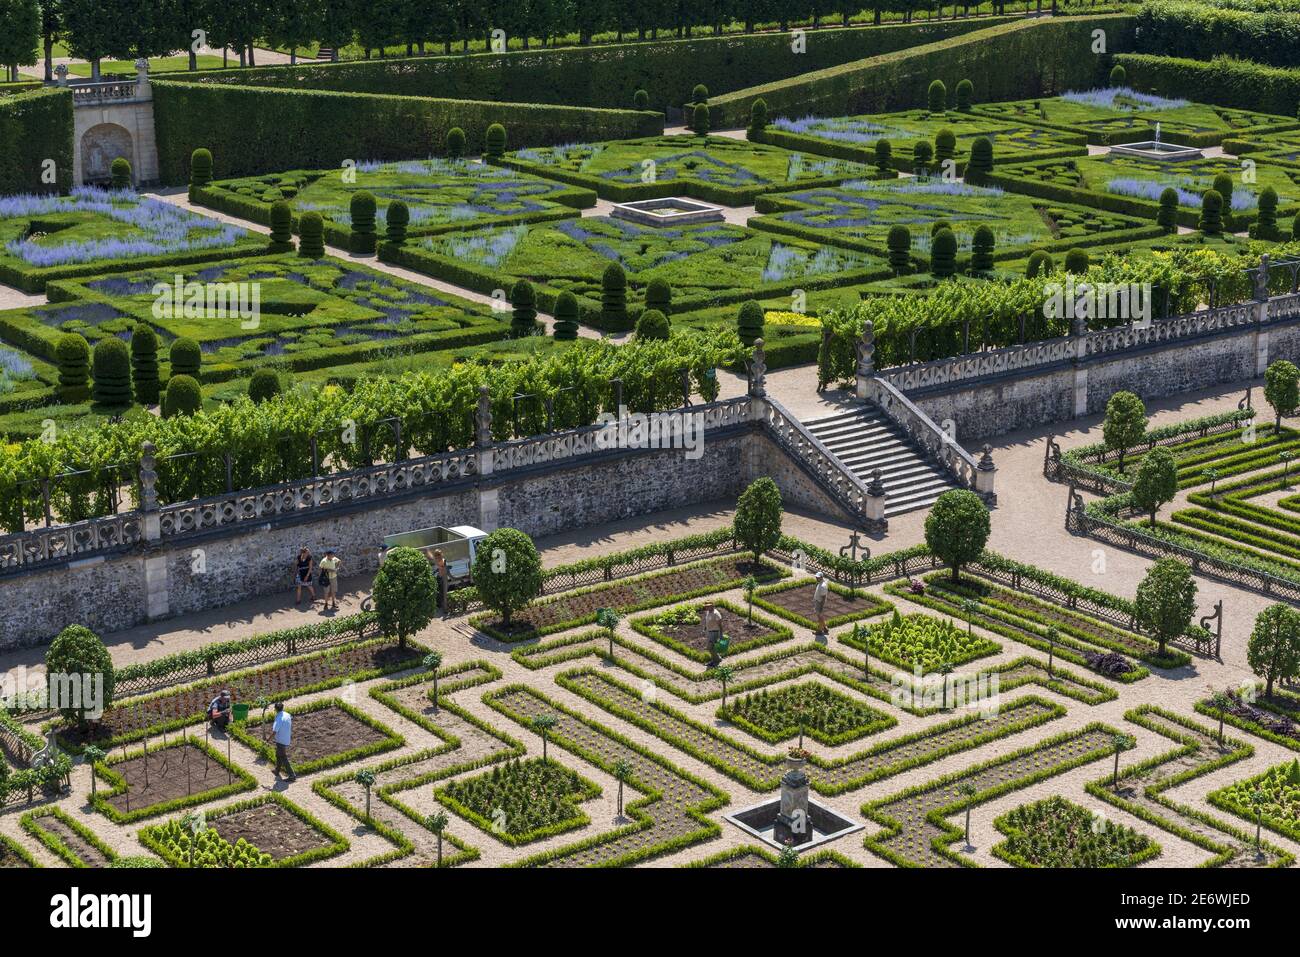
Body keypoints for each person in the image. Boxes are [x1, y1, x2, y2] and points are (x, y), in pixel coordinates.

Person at [271, 702, 295, 780]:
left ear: (275, 709)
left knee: (283, 757)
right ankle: (277, 770)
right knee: (278, 755)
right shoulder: (287, 714)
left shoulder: (279, 719)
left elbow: (275, 731)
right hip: (286, 737)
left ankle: (292, 775)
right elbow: (291, 718)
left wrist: (268, 739)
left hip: (281, 740)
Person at [432, 549, 449, 618]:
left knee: (444, 594)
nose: (437, 556)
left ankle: (445, 609)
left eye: (438, 555)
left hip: (443, 579)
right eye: (436, 555)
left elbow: (445, 570)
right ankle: (440, 606)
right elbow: (439, 569)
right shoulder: (438, 561)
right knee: (439, 593)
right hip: (439, 578)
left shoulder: (443, 561)